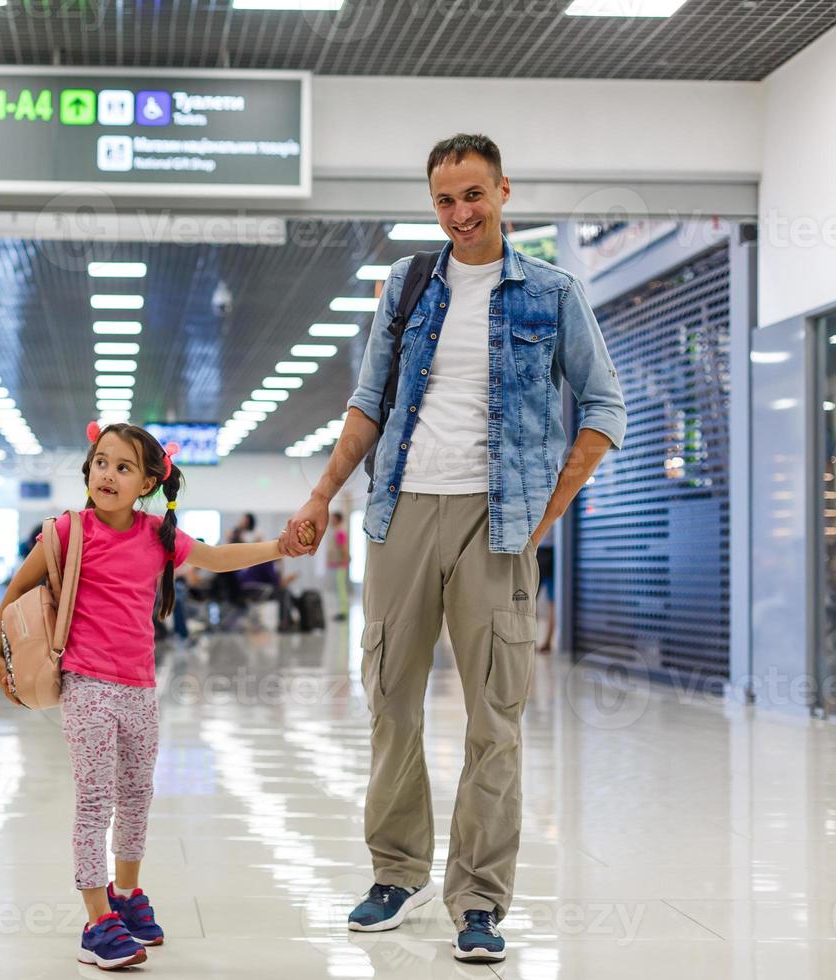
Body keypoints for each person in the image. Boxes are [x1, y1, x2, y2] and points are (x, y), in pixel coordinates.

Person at [280, 134, 626, 964]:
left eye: (474, 194)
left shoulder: (552, 293)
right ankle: (397, 875)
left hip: (499, 522)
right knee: (389, 700)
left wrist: (547, 511)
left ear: (504, 190)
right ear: (431, 203)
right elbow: (368, 403)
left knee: (493, 718)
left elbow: (604, 408)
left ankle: (479, 899)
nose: (461, 213)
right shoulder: (405, 286)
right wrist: (323, 493)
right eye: (444, 199)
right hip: (401, 514)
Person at [0, 422, 307, 971]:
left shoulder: (158, 537)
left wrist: (279, 546)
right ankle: (95, 923)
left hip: (139, 688)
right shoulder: (68, 531)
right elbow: (16, 591)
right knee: (94, 802)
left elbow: (215, 556)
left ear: (149, 483)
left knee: (136, 796)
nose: (108, 473)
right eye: (101, 462)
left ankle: (127, 895)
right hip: (86, 685)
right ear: (89, 470)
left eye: (124, 467)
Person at [327, 511, 351, 621]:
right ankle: (343, 611)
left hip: (341, 564)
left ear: (337, 519)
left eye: (333, 518)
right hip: (340, 564)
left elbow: (343, 548)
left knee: (341, 589)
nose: (331, 521)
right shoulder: (338, 531)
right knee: (340, 588)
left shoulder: (340, 532)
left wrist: (345, 561)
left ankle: (344, 612)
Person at [536, 540, 555, 652]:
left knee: (530, 599)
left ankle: (532, 641)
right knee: (552, 600)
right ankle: (547, 642)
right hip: (555, 549)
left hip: (540, 548)